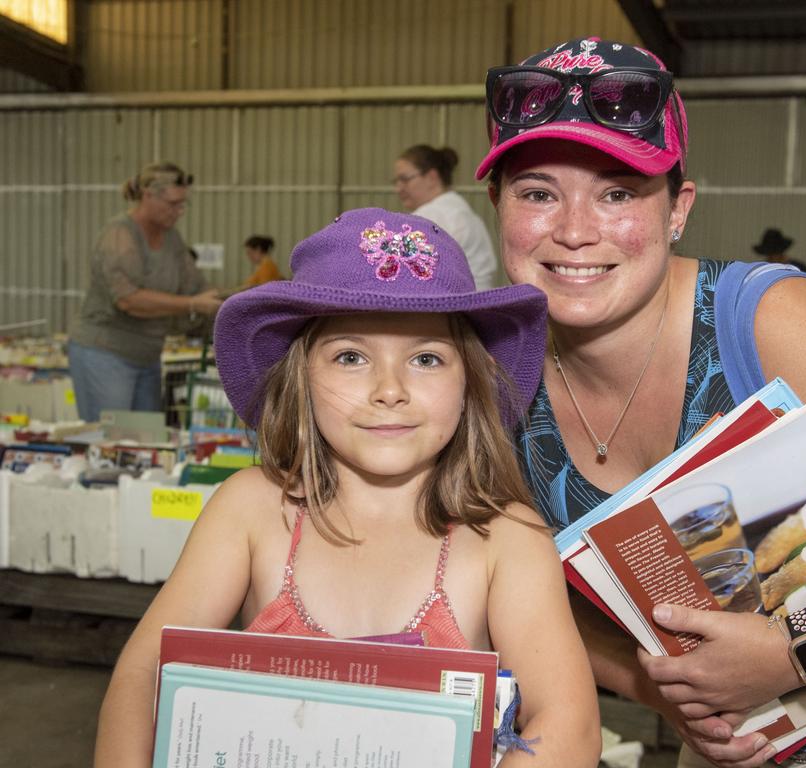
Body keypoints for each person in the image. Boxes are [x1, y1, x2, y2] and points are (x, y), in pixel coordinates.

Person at [477, 36, 806, 767]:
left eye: (618, 192)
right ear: (498, 207)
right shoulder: (498, 381)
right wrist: (655, 683)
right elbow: (522, 590)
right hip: (737, 746)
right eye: (538, 193)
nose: (575, 230)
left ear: (679, 208)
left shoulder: (762, 319)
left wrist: (792, 649)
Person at [93, 208, 601, 768]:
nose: (390, 389)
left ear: (470, 381)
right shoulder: (250, 511)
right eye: (351, 357)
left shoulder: (506, 537)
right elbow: (143, 674)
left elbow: (568, 726)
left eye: (427, 358)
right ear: (300, 377)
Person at [67, 162, 222, 422]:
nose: (180, 211)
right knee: (111, 441)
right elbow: (128, 299)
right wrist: (192, 304)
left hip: (148, 356)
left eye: (184, 204)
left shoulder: (172, 239)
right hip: (106, 354)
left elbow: (196, 285)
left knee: (146, 439)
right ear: (148, 195)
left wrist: (239, 300)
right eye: (173, 203)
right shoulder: (120, 235)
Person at [394, 144, 501, 289]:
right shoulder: (460, 210)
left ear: (432, 177)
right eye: (396, 181)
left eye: (405, 179)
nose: (398, 188)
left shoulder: (430, 216)